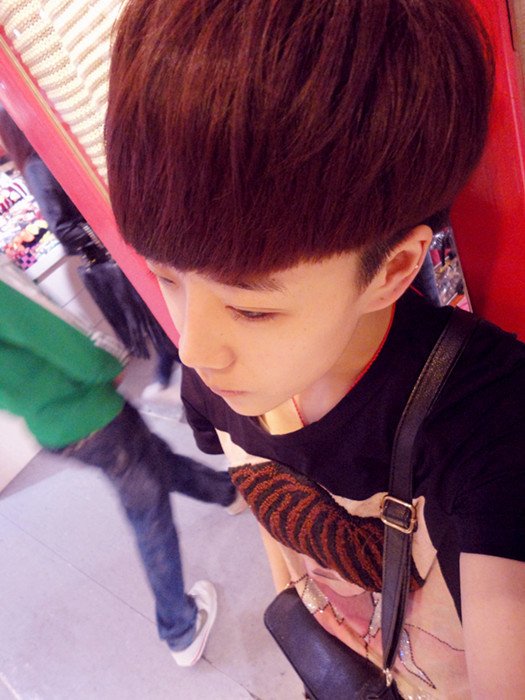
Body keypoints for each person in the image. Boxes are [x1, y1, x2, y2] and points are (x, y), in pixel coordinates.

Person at [104, 0, 525, 696]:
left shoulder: (483, 420)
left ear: (392, 271)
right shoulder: (223, 374)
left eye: (252, 308)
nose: (196, 347)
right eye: (165, 277)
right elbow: (271, 513)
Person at [0, 256, 242, 666]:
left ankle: (228, 493)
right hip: (91, 413)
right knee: (148, 512)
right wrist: (106, 366)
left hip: (52, 429)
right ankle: (180, 628)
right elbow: (49, 331)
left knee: (150, 461)